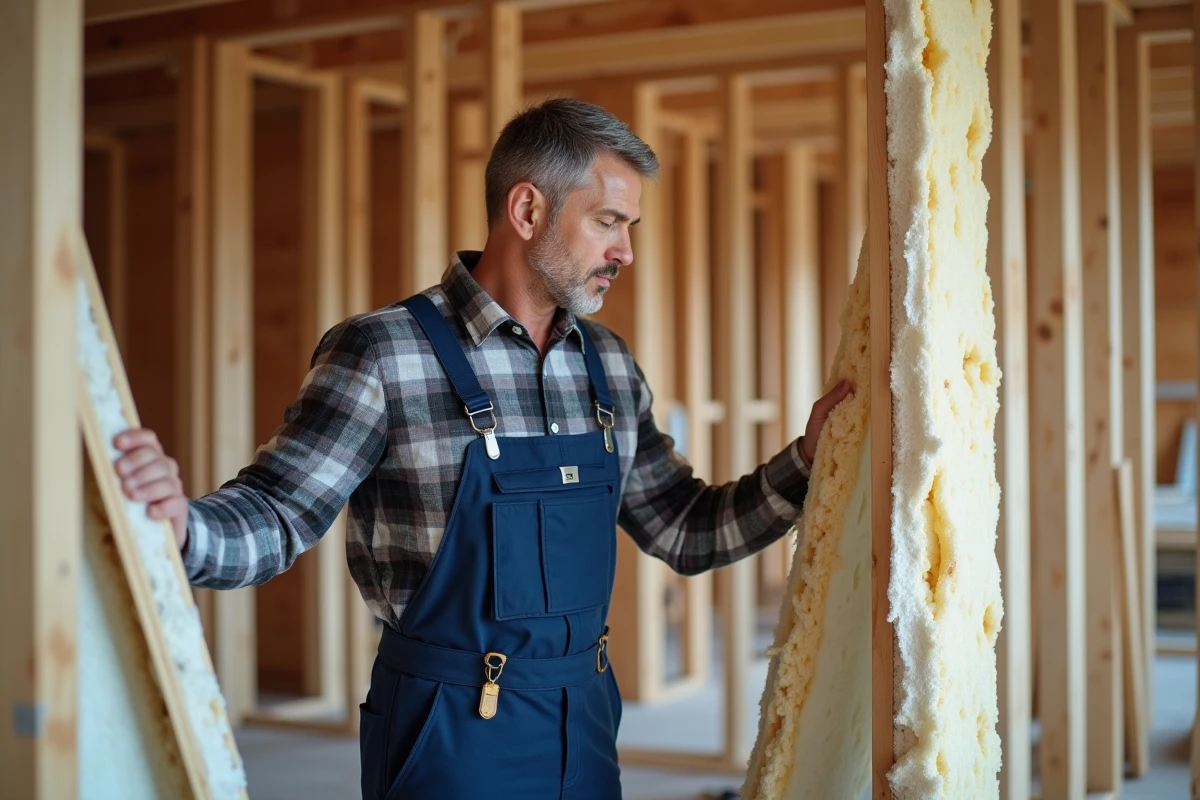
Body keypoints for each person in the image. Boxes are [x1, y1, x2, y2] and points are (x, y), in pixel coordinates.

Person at [111, 98, 852, 799]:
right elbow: (277, 513)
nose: (625, 251)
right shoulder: (386, 353)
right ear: (527, 210)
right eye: (607, 222)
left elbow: (684, 528)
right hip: (446, 729)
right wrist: (183, 527)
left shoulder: (607, 364)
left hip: (586, 720)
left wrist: (807, 463)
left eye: (629, 227)